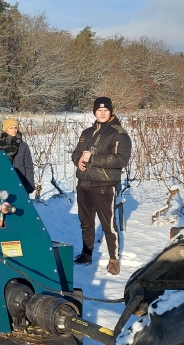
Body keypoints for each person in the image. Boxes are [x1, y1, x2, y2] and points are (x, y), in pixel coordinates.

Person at [71, 97, 132, 276]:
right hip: (84, 184)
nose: (102, 113)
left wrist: (93, 159)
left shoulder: (119, 133)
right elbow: (76, 152)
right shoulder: (87, 132)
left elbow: (121, 159)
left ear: (111, 112)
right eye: (99, 110)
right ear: (94, 112)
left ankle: (114, 260)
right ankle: (87, 254)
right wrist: (78, 161)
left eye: (106, 110)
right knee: (86, 223)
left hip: (104, 186)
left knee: (108, 225)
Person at [0, 119, 34, 194]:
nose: (14, 130)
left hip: (20, 183)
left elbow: (28, 166)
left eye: (15, 128)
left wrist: (30, 185)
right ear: (5, 130)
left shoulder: (23, 146)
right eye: (11, 128)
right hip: (3, 184)